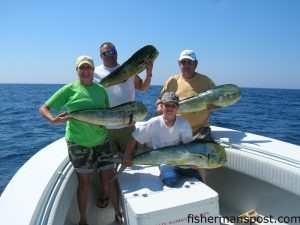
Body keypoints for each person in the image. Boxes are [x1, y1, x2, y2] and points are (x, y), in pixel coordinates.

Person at [39, 56, 123, 225]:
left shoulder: (101, 90)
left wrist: (126, 120)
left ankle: (118, 213)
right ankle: (83, 219)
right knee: (84, 182)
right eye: (82, 68)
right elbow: (44, 108)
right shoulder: (68, 90)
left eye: (88, 68)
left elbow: (106, 115)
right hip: (78, 143)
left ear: (93, 70)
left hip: (102, 140)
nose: (85, 71)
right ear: (76, 70)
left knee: (110, 176)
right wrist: (54, 120)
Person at [94, 42, 153, 208]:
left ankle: (131, 193)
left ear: (117, 52)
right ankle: (105, 192)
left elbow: (141, 88)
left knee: (130, 159)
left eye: (112, 51)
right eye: (106, 53)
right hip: (105, 127)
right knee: (106, 163)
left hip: (128, 125)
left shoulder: (129, 69)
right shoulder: (96, 73)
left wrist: (149, 74)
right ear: (101, 56)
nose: (110, 54)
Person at [156, 50, 218, 183]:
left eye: (189, 62)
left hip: (199, 129)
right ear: (179, 64)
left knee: (200, 156)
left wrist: (215, 106)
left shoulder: (206, 81)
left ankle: (203, 183)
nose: (186, 65)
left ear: (196, 64)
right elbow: (160, 99)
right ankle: (171, 169)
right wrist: (159, 106)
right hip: (176, 128)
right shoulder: (172, 81)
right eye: (183, 62)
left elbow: (219, 101)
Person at [124, 92, 203, 187]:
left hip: (182, 160)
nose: (170, 108)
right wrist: (127, 155)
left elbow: (189, 147)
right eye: (167, 105)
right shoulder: (154, 122)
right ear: (161, 106)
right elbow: (134, 136)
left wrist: (192, 162)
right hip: (164, 161)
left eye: (173, 106)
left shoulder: (184, 123)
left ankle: (179, 172)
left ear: (177, 108)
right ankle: (169, 172)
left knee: (198, 179)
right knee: (170, 180)